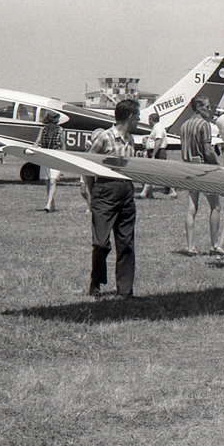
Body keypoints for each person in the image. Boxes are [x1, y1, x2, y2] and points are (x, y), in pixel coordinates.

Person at [84, 99, 140, 299]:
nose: (139, 120)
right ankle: (96, 281)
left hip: (126, 190)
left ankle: (125, 290)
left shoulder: (131, 141)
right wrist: (92, 193)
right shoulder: (104, 138)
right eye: (138, 117)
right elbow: (86, 165)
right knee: (101, 243)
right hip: (105, 190)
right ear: (130, 117)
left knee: (126, 242)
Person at [180, 97, 222, 257]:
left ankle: (190, 246)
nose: (209, 110)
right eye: (207, 107)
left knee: (191, 209)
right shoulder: (204, 125)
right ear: (198, 107)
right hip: (203, 169)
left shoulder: (184, 125)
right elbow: (208, 150)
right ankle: (214, 245)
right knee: (215, 207)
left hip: (188, 168)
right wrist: (217, 165)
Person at [136, 113, 175, 199]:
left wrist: (153, 153)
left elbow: (158, 141)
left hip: (158, 153)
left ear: (151, 120)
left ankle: (145, 193)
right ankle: (148, 193)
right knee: (152, 173)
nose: (148, 122)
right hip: (155, 152)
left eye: (149, 120)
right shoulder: (156, 128)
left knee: (158, 173)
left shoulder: (158, 129)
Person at [34, 111, 65, 212]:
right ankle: (52, 204)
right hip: (45, 157)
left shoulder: (60, 131)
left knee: (53, 180)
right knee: (47, 181)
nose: (56, 125)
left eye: (57, 122)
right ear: (49, 122)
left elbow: (63, 145)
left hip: (56, 157)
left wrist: (64, 159)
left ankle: (48, 204)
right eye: (54, 123)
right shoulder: (43, 130)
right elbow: (37, 142)